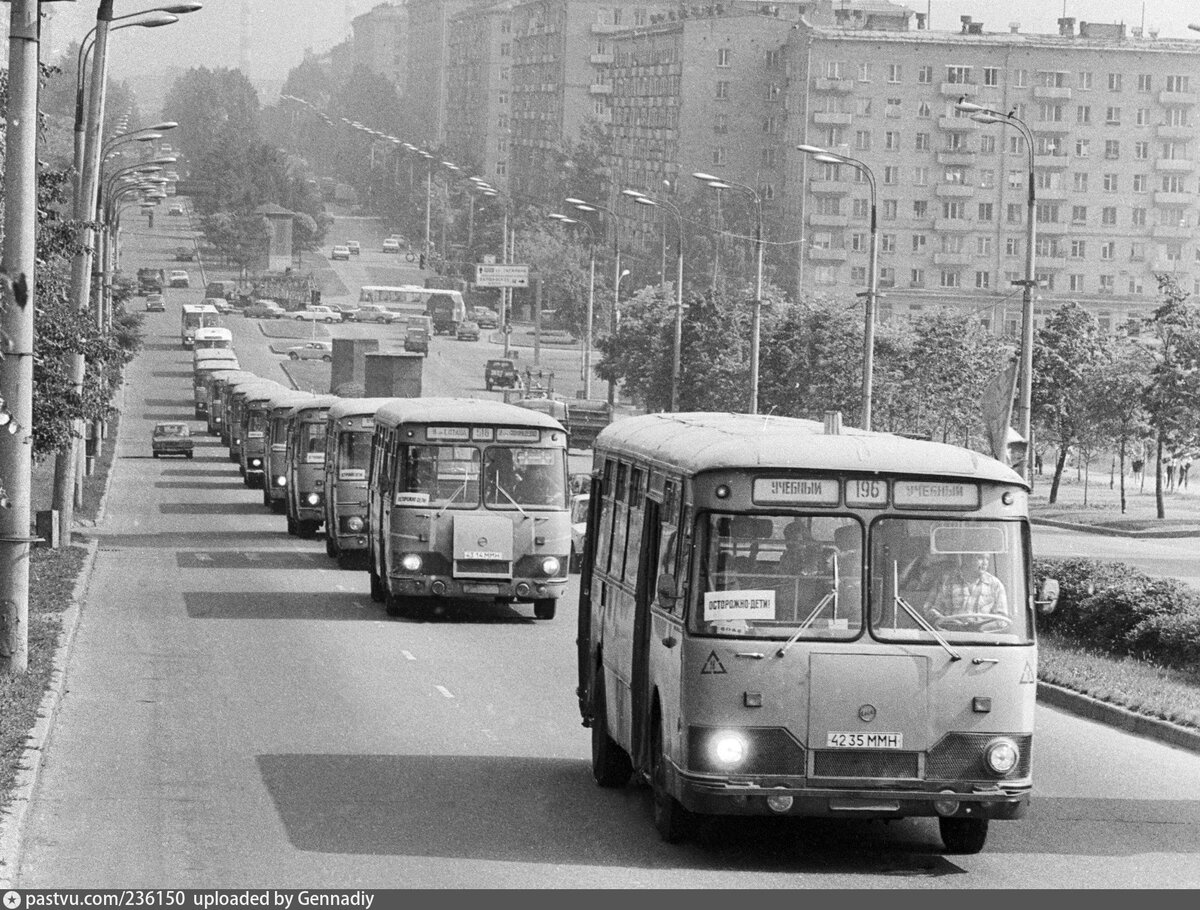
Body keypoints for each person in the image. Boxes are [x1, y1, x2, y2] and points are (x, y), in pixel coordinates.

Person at [924, 553, 1008, 621]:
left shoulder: (995, 585)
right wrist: (948, 621)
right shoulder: (946, 582)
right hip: (950, 637)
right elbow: (931, 611)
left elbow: (1001, 620)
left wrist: (980, 627)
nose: (985, 563)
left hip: (984, 639)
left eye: (987, 559)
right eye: (980, 558)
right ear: (967, 559)